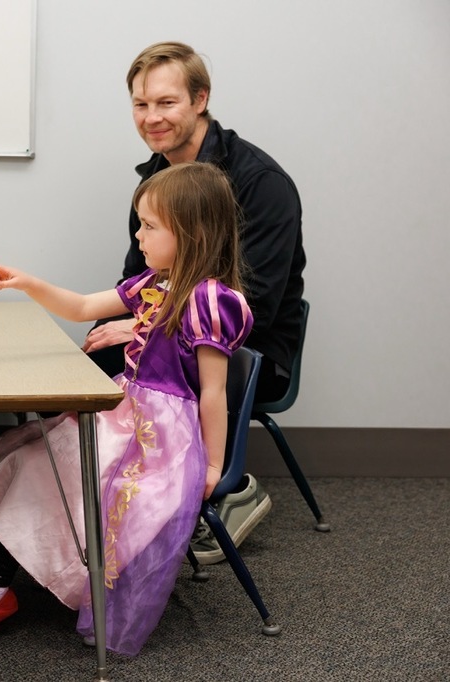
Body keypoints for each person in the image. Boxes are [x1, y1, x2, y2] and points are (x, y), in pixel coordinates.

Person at [0, 162, 252, 655]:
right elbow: (81, 307)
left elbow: (213, 392)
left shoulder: (211, 300)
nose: (138, 235)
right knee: (14, 450)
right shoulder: (155, 283)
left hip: (159, 440)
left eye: (149, 226)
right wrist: (29, 282)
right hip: (123, 412)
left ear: (192, 232)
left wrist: (211, 463)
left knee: (42, 470)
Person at [84, 41, 306, 564]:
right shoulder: (157, 178)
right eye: (141, 104)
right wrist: (130, 324)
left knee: (111, 362)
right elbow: (136, 279)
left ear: (200, 99)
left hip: (246, 349)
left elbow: (256, 303)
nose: (152, 117)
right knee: (93, 356)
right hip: (175, 334)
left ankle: (220, 489)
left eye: (167, 102)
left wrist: (146, 330)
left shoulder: (260, 183)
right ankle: (106, 495)